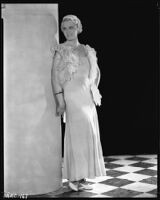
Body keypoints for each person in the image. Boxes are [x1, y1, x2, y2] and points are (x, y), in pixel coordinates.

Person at [51, 15, 106, 191]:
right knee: (76, 136)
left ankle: (81, 178)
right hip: (72, 96)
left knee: (87, 134)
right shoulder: (61, 50)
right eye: (64, 28)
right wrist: (60, 101)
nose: (67, 31)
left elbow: (96, 73)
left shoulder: (87, 49)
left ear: (78, 28)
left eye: (71, 28)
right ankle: (73, 178)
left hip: (86, 97)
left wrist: (93, 90)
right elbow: (55, 78)